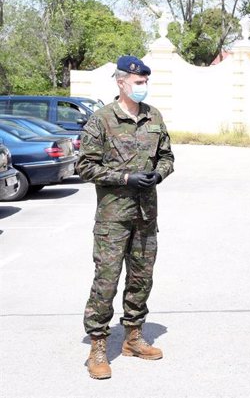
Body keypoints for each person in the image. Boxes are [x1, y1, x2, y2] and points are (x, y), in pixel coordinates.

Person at [77, 55, 175, 380]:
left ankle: (133, 338)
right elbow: (84, 166)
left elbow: (167, 156)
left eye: (146, 82)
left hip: (146, 216)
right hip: (113, 218)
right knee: (106, 281)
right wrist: (125, 179)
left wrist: (158, 175)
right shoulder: (101, 119)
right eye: (138, 82)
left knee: (141, 278)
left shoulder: (154, 117)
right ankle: (98, 347)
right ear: (121, 82)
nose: (143, 87)